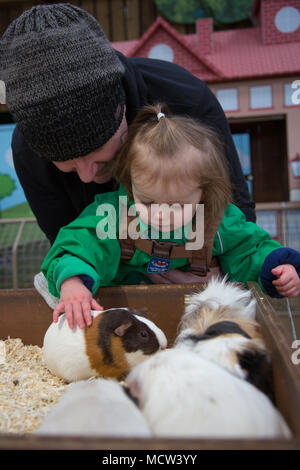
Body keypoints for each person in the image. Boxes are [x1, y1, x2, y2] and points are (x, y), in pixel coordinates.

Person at [0, 2, 255, 250]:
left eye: (97, 158)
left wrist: (212, 267)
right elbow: (65, 244)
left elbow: (236, 211)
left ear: (119, 109)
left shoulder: (185, 99)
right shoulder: (28, 151)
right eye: (68, 165)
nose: (87, 176)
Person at [41, 104, 300, 330]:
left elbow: (248, 249)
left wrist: (276, 268)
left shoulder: (215, 221)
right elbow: (80, 244)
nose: (161, 216)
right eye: (148, 202)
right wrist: (73, 280)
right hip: (126, 319)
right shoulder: (116, 217)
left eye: (176, 205)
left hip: (192, 316)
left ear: (203, 194)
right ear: (132, 186)